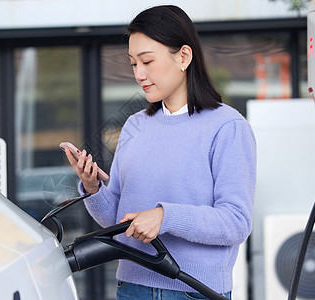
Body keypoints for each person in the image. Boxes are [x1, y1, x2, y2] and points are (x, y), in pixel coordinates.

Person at [64, 5, 256, 300]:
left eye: (147, 61)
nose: (139, 74)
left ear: (183, 56)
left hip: (194, 292)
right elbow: (118, 220)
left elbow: (235, 222)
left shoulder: (227, 127)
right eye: (133, 64)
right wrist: (93, 187)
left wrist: (165, 217)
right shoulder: (134, 126)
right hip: (131, 289)